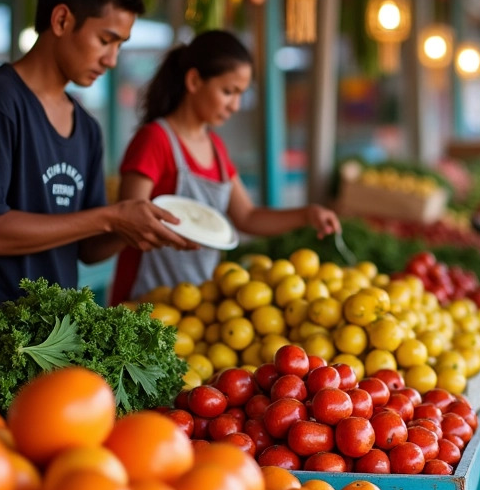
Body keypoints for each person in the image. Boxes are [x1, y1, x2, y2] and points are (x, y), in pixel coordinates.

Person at [0, 0, 193, 327]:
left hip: (56, 338)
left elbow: (88, 248)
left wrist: (137, 227)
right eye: (106, 40)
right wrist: (111, 216)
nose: (111, 59)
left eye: (120, 45)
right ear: (61, 20)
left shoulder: (86, 128)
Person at [110, 30, 340, 304]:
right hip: (145, 300)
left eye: (241, 93)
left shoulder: (216, 148)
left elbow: (247, 217)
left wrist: (307, 215)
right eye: (228, 91)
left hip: (196, 303)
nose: (235, 105)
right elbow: (128, 221)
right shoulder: (155, 140)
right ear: (194, 81)